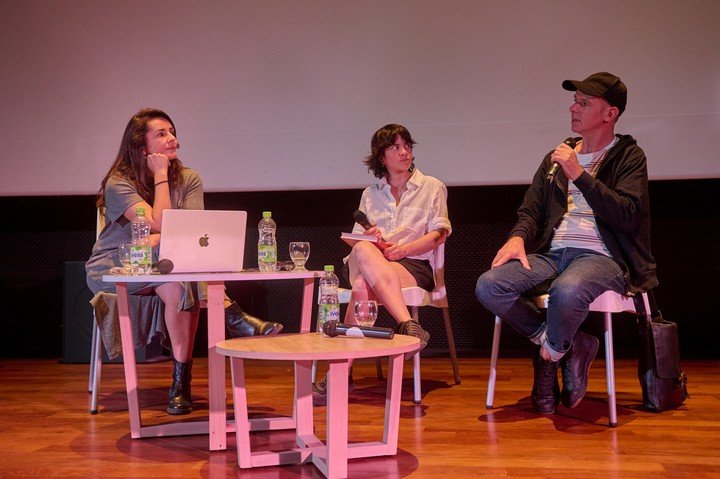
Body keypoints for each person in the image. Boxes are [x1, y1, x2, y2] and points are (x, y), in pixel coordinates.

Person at [475, 72, 657, 414]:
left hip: (603, 257)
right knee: (490, 285)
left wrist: (581, 176)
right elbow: (531, 210)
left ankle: (547, 360)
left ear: (609, 114)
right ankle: (566, 346)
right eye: (575, 101)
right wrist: (517, 238)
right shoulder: (556, 156)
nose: (573, 108)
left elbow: (628, 215)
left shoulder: (629, 157)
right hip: (553, 252)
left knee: (567, 290)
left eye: (584, 103)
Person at [86, 108, 282, 416]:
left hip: (170, 268)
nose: (172, 138)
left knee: (182, 284)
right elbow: (161, 224)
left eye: (172, 131)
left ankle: (180, 385)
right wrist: (161, 177)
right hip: (117, 266)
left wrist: (165, 241)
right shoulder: (118, 182)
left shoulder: (189, 178)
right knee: (177, 256)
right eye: (161, 134)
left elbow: (193, 234)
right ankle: (236, 317)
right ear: (141, 147)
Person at [313, 123, 452, 405]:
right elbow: (355, 239)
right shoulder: (371, 193)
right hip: (371, 259)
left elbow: (439, 233)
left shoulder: (432, 187)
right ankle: (408, 325)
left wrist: (405, 249)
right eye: (395, 147)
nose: (404, 152)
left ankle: (339, 373)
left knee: (363, 284)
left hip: (412, 266)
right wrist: (367, 237)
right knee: (364, 248)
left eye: (407, 146)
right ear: (381, 158)